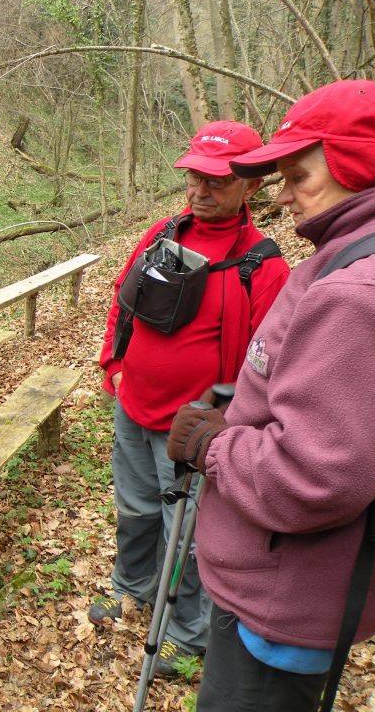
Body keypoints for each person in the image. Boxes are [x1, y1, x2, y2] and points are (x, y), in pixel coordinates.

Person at [168, 80, 375, 711]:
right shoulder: (347, 258)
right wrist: (240, 409)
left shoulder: (357, 290)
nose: (284, 194)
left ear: (360, 165)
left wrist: (215, 444)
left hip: (280, 602)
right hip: (288, 585)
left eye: (300, 174)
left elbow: (315, 473)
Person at [93, 120, 290, 676]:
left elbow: (272, 363)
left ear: (251, 185)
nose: (199, 192)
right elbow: (123, 297)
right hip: (134, 407)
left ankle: (186, 633)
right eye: (193, 179)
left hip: (198, 431)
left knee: (193, 538)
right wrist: (115, 363)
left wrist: (229, 424)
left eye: (216, 182)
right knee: (134, 508)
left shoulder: (263, 266)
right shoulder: (165, 232)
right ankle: (130, 588)